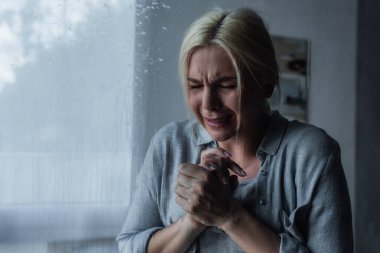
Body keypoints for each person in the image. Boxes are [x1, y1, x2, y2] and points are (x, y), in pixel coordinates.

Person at [117, 7, 353, 253]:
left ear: (267, 84)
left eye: (227, 85)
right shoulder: (167, 145)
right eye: (195, 86)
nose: (208, 104)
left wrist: (228, 214)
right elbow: (128, 247)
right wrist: (193, 221)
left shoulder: (313, 154)